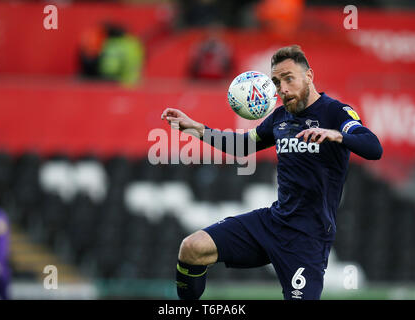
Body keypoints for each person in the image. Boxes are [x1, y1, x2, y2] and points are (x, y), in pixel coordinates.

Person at [161, 45, 383, 300]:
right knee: (192, 248)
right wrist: (196, 129)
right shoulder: (279, 118)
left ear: (309, 76)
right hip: (273, 223)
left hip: (307, 238)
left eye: (289, 78)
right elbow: (242, 145)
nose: (283, 89)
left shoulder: (335, 112)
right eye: (277, 82)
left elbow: (373, 147)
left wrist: (338, 135)